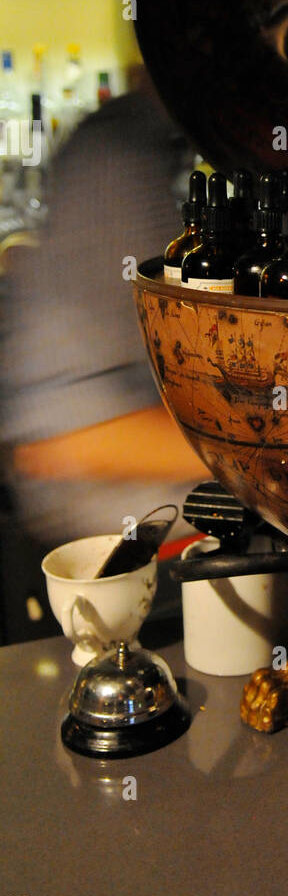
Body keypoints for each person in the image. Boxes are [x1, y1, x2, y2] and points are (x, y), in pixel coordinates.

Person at [0, 71, 208, 641]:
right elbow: (65, 439)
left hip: (169, 553)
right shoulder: (116, 158)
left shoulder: (144, 149)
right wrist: (265, 457)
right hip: (131, 572)